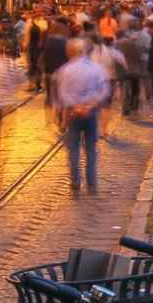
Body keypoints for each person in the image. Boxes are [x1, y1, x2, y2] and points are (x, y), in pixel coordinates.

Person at [55, 39, 111, 194]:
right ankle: (91, 181)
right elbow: (104, 89)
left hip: (73, 113)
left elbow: (63, 94)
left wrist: (76, 107)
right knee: (91, 148)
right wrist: (91, 105)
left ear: (71, 52)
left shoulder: (65, 70)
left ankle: (75, 182)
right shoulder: (96, 68)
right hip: (91, 112)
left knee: (73, 150)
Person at [116, 17, 150, 116]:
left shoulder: (118, 44)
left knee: (125, 90)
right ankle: (134, 106)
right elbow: (138, 55)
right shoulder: (132, 43)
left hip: (123, 70)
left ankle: (125, 109)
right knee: (135, 89)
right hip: (134, 69)